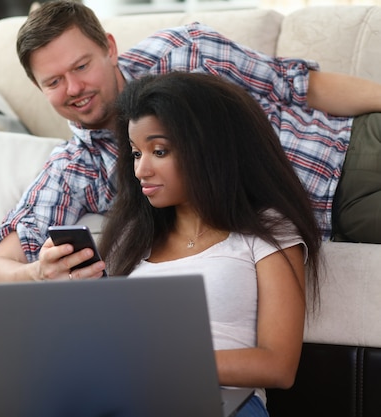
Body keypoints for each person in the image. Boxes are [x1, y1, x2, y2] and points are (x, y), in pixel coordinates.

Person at [0, 0, 381, 283]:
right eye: (53, 82)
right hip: (336, 209)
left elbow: (298, 86)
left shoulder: (183, 51)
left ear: (109, 47)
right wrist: (38, 272)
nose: (74, 88)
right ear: (39, 88)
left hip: (356, 141)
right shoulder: (76, 168)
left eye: (82, 66)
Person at [98, 71, 322, 417]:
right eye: (135, 153)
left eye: (159, 151)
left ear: (207, 149)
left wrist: (167, 363)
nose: (141, 169)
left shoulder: (267, 230)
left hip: (222, 402)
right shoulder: (132, 240)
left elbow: (278, 365)